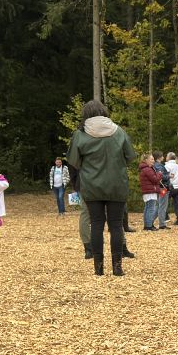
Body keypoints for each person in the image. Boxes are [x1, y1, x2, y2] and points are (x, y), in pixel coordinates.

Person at [67, 100, 138, 275]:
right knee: (115, 225)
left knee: (97, 224)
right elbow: (130, 156)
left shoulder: (80, 134)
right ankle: (117, 267)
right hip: (117, 184)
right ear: (103, 112)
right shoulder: (119, 131)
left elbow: (74, 161)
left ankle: (98, 268)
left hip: (91, 185)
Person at [139, 153, 164, 233]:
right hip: (150, 191)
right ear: (146, 160)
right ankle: (149, 226)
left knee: (147, 208)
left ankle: (147, 225)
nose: (153, 161)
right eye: (152, 159)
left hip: (148, 191)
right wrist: (160, 174)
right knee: (151, 209)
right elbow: (155, 179)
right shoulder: (148, 169)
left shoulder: (146, 168)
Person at [165, 151, 178, 225]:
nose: (166, 157)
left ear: (169, 158)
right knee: (177, 205)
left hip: (170, 187)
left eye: (167, 156)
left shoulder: (167, 166)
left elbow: (165, 177)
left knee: (164, 203)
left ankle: (165, 218)